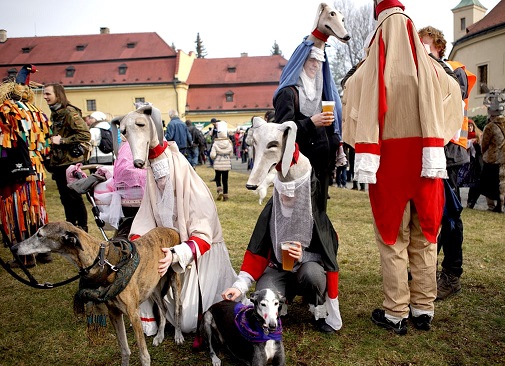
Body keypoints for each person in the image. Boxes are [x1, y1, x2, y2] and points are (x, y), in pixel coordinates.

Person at [342, 0, 463, 334]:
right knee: (424, 236)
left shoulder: (367, 71)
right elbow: (454, 97)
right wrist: (440, 137)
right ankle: (423, 309)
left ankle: (395, 312)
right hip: (426, 162)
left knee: (392, 240)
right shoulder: (433, 69)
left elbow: (349, 102)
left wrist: (361, 140)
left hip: (387, 163)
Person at [123, 105, 236, 335]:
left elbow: (203, 235)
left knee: (188, 324)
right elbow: (145, 221)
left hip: (196, 259)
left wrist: (177, 254)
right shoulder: (154, 186)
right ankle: (150, 315)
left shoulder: (193, 187)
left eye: (165, 178)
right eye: (158, 179)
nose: (162, 183)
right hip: (168, 256)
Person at [418, 25, 476, 300]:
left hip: (450, 155)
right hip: (430, 153)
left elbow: (452, 93)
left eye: (425, 45)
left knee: (450, 216)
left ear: (438, 46)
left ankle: (452, 275)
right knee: (430, 214)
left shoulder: (455, 69)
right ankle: (426, 270)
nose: (421, 50)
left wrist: (429, 62)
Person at [273, 46, 341, 213]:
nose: (315, 65)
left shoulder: (323, 94)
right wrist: (311, 122)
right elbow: (283, 130)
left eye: (319, 61)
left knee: (319, 210)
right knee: (299, 212)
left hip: (322, 167)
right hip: (299, 167)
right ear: (301, 62)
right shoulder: (288, 93)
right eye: (312, 59)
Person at [43, 83, 91, 232]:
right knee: (65, 199)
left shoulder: (69, 112)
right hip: (59, 163)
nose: (45, 97)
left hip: (70, 162)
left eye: (48, 94)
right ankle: (70, 226)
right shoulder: (55, 113)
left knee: (74, 197)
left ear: (58, 94)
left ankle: (82, 228)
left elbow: (85, 134)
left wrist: (62, 141)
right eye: (44, 94)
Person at [480, 99, 505, 213]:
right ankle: (501, 204)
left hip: (493, 159)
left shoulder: (490, 126)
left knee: (490, 183)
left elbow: (484, 143)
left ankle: (492, 205)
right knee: (502, 183)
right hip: (504, 158)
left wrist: (483, 153)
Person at [462, 119, 484, 208]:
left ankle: (471, 202)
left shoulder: (479, 135)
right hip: (466, 162)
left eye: (471, 126)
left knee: (475, 183)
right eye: (468, 126)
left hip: (477, 163)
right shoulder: (463, 137)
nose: (469, 128)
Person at [209, 121, 233, 201]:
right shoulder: (229, 143)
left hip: (218, 162)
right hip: (226, 163)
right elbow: (231, 154)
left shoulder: (216, 143)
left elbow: (212, 155)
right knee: (225, 180)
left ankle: (219, 190)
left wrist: (214, 158)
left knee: (217, 177)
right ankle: (225, 195)